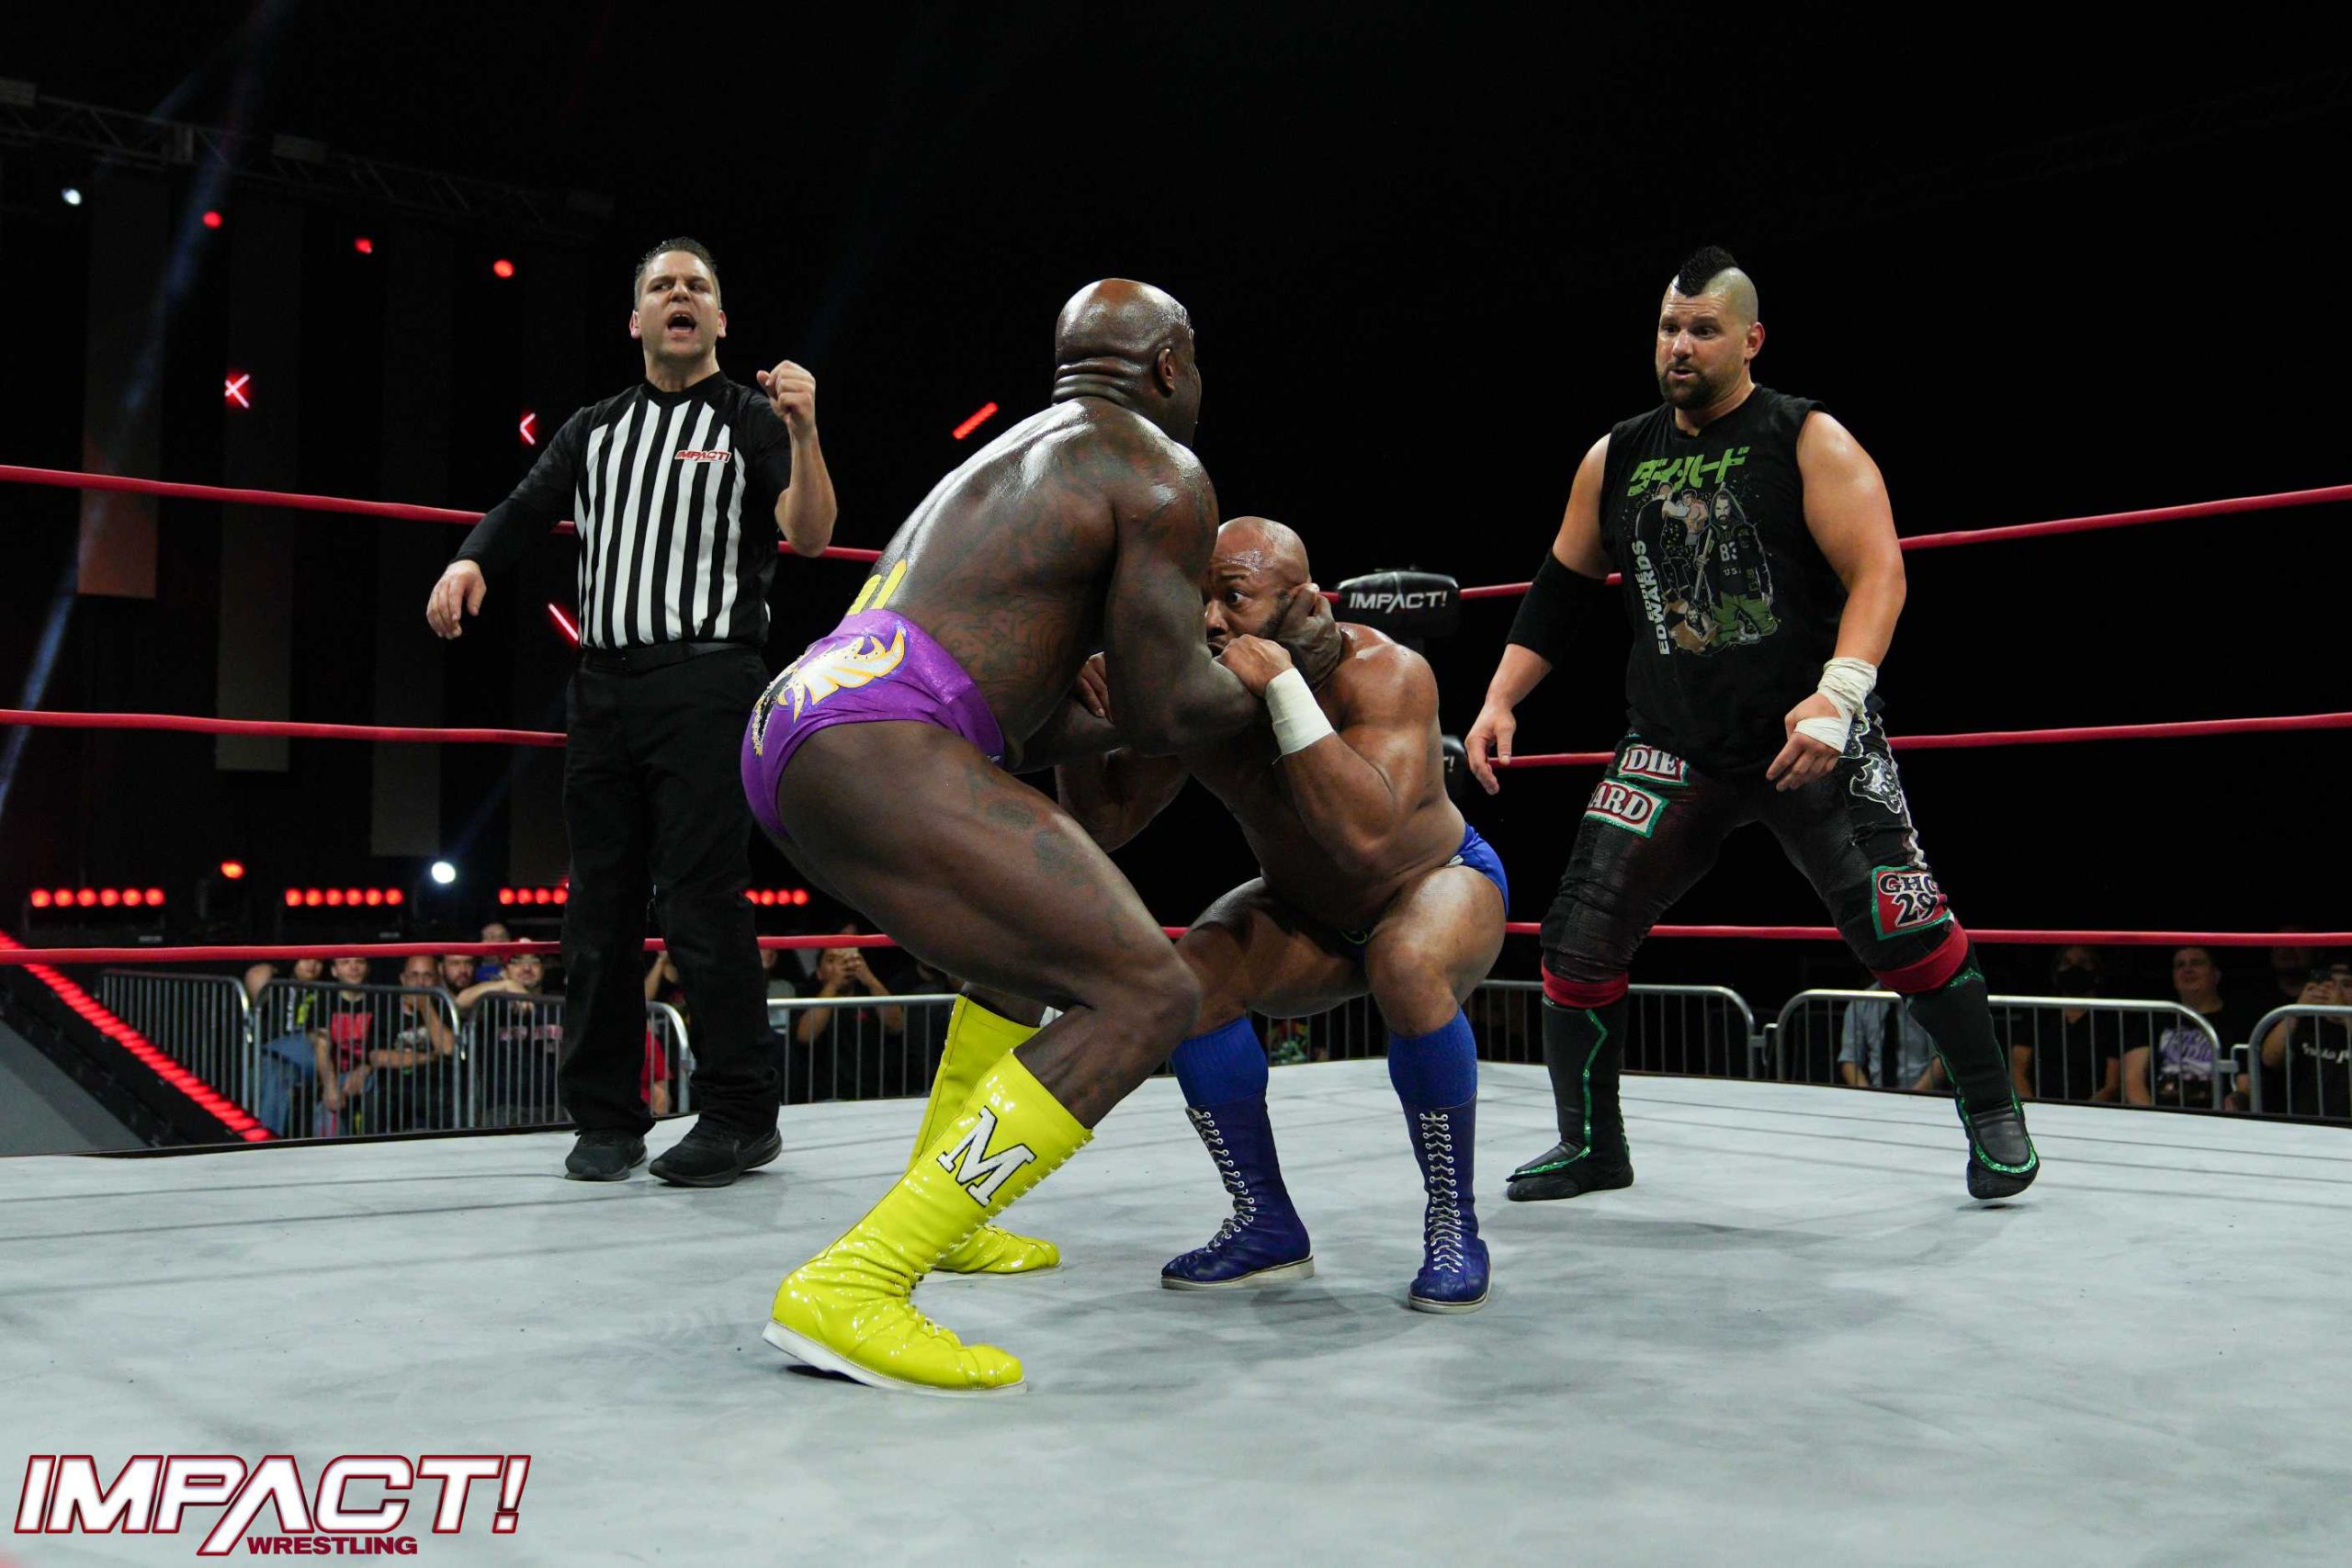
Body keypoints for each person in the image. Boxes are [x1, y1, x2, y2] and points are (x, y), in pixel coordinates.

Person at [743, 279, 1332, 1394]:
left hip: (799, 723)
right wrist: (1286, 666)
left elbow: (1041, 714)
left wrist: (1113, 702)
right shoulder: (1160, 470)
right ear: (1170, 365)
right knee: (1147, 995)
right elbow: (1166, 708)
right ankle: (859, 1280)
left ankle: (953, 1218)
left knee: (1020, 956)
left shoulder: (1014, 459)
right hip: (881, 739)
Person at [1464, 245, 2037, 1204]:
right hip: (1672, 741)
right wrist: (1499, 696)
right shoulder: (1616, 455)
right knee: (1577, 936)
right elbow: (1563, 586)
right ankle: (1591, 1144)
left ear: (1750, 339)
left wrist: (1839, 695)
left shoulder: (1804, 437)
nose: (1679, 346)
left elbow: (1879, 572)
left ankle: (1994, 1115)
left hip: (1808, 735)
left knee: (1901, 922)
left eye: (1702, 329)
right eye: (1667, 328)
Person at [428, 236, 837, 1186]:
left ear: (719, 319)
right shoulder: (596, 427)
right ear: (637, 318)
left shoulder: (750, 416)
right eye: (662, 285)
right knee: (597, 909)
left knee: (701, 899)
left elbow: (811, 535)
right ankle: (607, 1117)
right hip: (604, 689)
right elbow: (526, 505)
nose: (679, 295)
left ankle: (740, 1113)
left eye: (697, 285)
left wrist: (807, 431)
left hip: (708, 680)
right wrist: (470, 558)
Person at [1056, 517, 1507, 1312]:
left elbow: (1366, 842)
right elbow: (1107, 821)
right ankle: (1265, 1222)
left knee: (1404, 962)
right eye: (1199, 598)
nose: (1210, 620)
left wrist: (1285, 689)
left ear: (1301, 602)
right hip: (1308, 911)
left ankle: (1454, 1223)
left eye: (1234, 597)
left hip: (1434, 882)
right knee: (1190, 985)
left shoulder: (1386, 673)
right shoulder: (1201, 694)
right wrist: (1083, 713)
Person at [2125, 946, 2263, 1111]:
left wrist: (2235, 1102)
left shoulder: (2238, 1021)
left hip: (2216, 1118)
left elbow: (2245, 1084)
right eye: (2180, 965)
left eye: (2196, 963)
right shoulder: (2155, 1018)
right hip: (2161, 1116)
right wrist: (2153, 1117)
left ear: (2216, 974)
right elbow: (2133, 1079)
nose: (2188, 970)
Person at [2009, 945, 2126, 1103]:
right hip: (2041, 1108)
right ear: (2056, 974)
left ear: (2097, 974)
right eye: (2067, 963)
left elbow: (2112, 1084)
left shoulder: (2110, 1020)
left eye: (2083, 963)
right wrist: (2033, 1108)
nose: (2074, 969)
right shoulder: (2039, 1014)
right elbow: (2017, 1070)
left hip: (2092, 1110)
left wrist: (2084, 1112)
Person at [1837, 981, 1945, 1092]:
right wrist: (1868, 1096)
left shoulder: (1926, 999)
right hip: (1876, 1092)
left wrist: (1913, 1095)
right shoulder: (1861, 1001)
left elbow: (1942, 1058)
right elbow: (1849, 1061)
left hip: (1924, 1093)